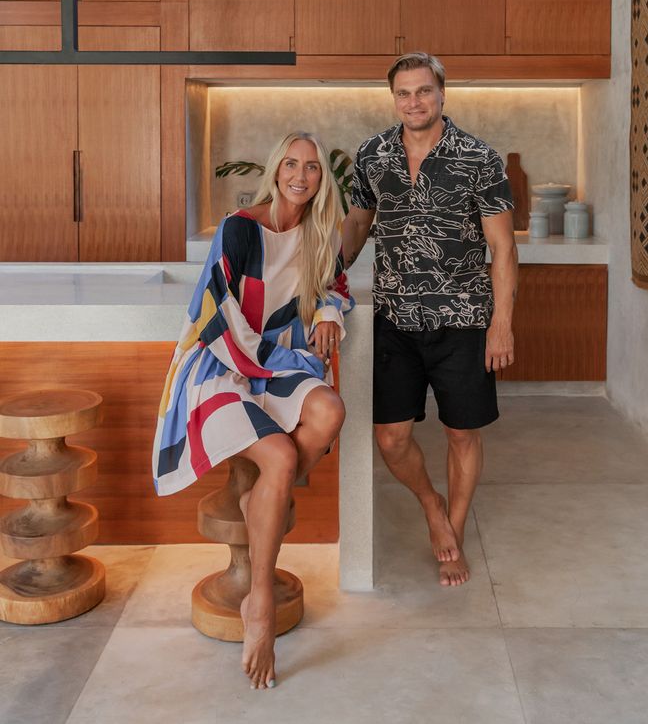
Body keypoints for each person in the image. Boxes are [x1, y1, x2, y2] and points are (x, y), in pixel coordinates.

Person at [152, 132, 353, 690]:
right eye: (291, 163)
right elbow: (213, 311)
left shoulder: (319, 231)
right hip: (221, 361)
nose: (301, 174)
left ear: (321, 179)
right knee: (282, 458)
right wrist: (273, 359)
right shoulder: (240, 228)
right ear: (275, 169)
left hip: (275, 361)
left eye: (312, 167)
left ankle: (264, 493)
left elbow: (335, 282)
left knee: (330, 412)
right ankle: (258, 604)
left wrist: (331, 312)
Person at [342, 51, 517, 587]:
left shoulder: (478, 158)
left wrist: (501, 324)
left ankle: (454, 532)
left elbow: (503, 249)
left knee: (462, 433)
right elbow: (355, 226)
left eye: (423, 91)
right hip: (395, 319)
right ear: (393, 98)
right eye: (403, 93)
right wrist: (324, 273)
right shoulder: (373, 155)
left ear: (442, 93)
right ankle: (431, 504)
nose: (413, 101)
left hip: (464, 320)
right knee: (390, 437)